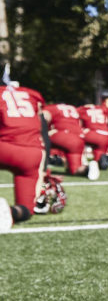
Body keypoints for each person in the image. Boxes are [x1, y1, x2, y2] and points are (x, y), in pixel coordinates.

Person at [0, 82, 47, 231]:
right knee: (26, 209)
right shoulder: (33, 94)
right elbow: (43, 130)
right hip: (32, 154)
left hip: (4, 147)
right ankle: (11, 211)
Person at [43, 103, 99, 180]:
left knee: (38, 140)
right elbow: (81, 122)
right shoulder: (73, 108)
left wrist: (46, 133)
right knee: (75, 170)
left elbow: (44, 118)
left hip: (61, 134)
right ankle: (87, 169)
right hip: (78, 138)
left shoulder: (51, 108)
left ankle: (40, 168)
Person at [78, 103, 108, 168]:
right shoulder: (102, 108)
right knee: (99, 152)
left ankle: (81, 161)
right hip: (105, 134)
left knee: (76, 140)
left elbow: (79, 125)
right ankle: (99, 161)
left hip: (91, 133)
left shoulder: (82, 110)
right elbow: (107, 121)